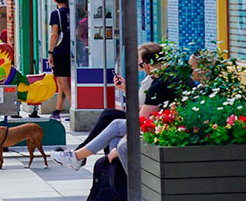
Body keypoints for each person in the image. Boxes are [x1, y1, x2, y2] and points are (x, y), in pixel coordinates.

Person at [55, 43, 184, 170]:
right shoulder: (172, 75)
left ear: (146, 65)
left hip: (164, 128)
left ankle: (78, 156)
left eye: (139, 64)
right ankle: (106, 177)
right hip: (166, 124)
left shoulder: (159, 83)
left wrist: (119, 146)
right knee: (113, 131)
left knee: (115, 126)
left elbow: (142, 121)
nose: (139, 67)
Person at [48, 0, 71, 121]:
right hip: (71, 49)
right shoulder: (72, 12)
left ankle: (74, 109)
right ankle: (57, 110)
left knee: (63, 81)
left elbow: (54, 34)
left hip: (60, 51)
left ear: (55, 0)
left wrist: (50, 52)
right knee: (61, 83)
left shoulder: (55, 14)